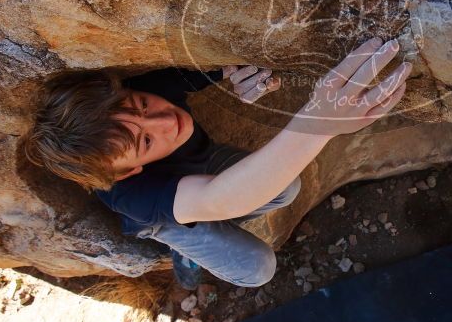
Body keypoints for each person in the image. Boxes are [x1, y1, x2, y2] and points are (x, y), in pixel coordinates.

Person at [24, 37, 411, 289]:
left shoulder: (146, 92)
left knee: (285, 188)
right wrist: (319, 121)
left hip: (203, 169)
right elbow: (218, 199)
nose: (163, 120)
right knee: (258, 269)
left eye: (142, 106)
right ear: (129, 171)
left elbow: (210, 70)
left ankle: (209, 210)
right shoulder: (134, 196)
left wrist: (240, 75)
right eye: (145, 141)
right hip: (169, 211)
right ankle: (184, 245)